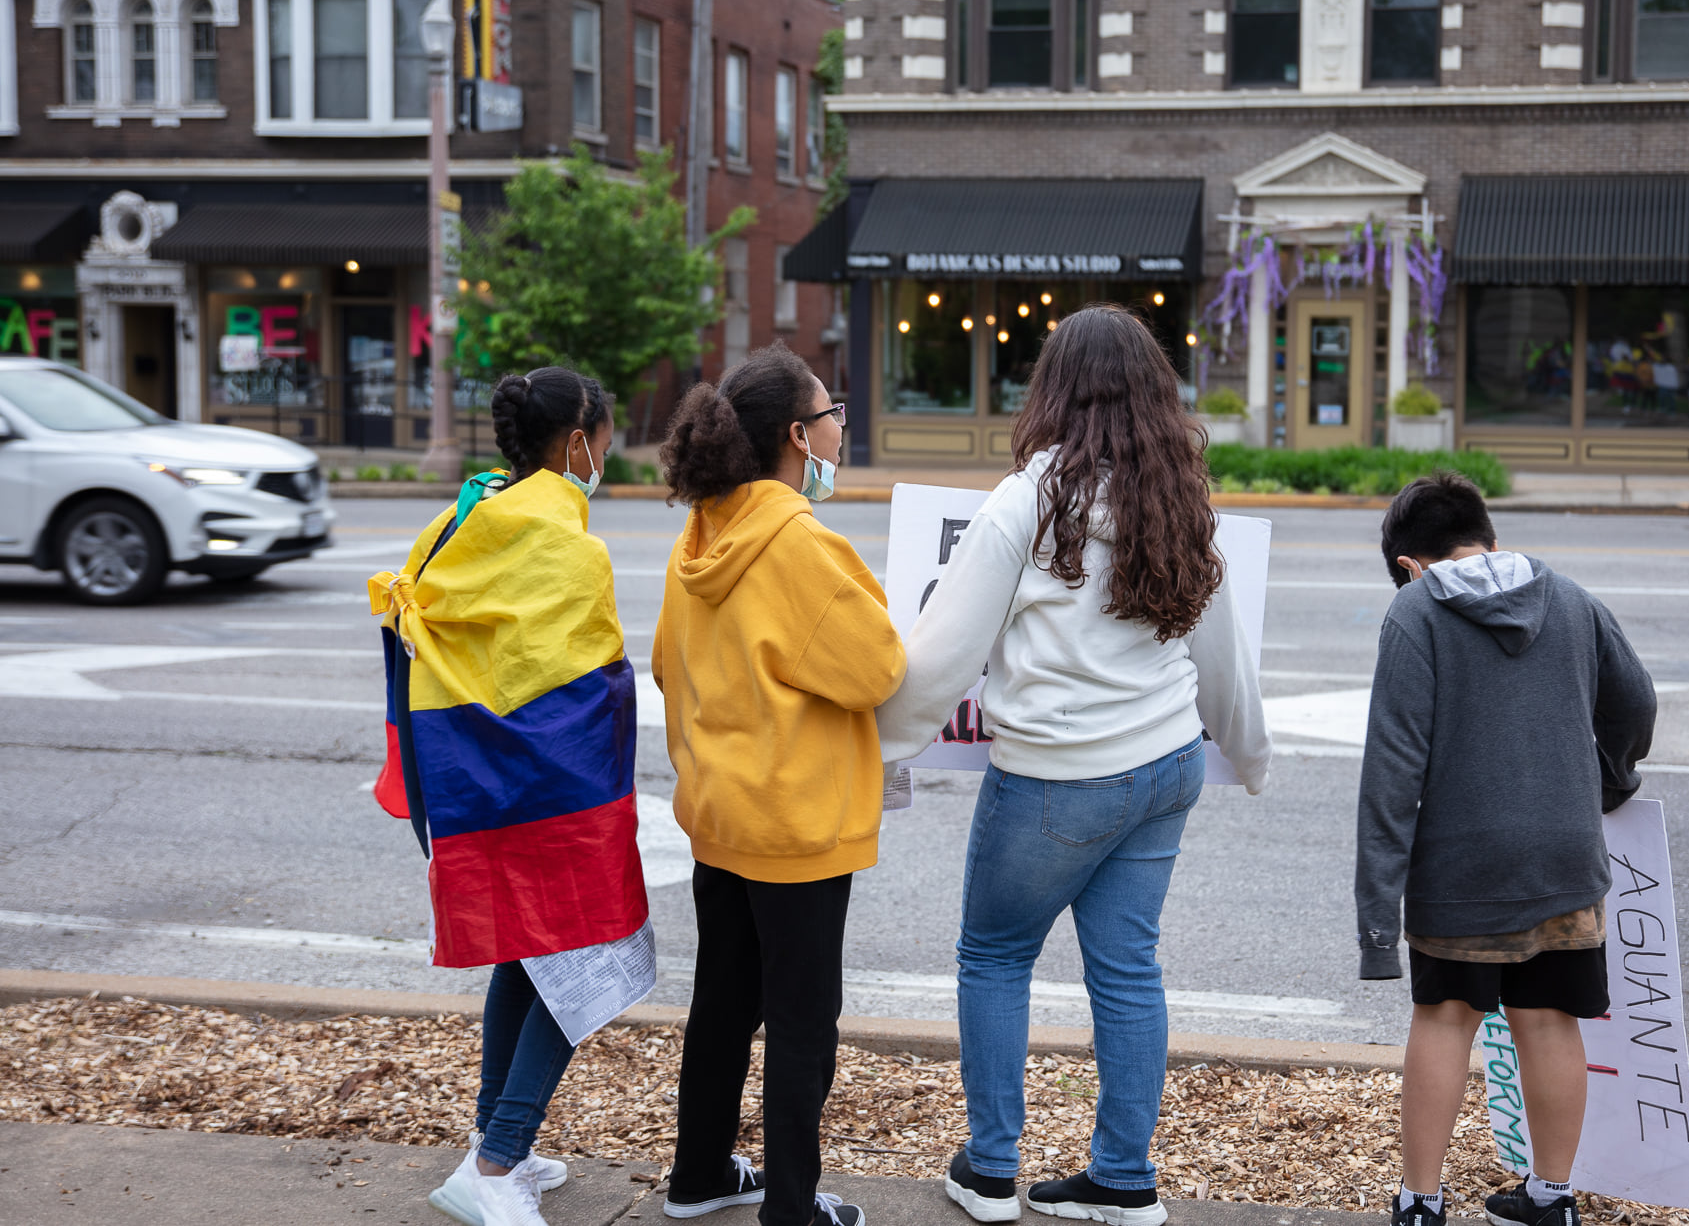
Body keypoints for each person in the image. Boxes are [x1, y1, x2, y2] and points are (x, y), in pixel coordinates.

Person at [876, 306, 1271, 1226]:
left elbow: (944, 657)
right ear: (1153, 393)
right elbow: (1224, 658)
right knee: (1129, 970)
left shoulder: (1025, 500)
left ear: (1052, 387)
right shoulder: (1179, 498)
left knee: (995, 953)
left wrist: (878, 739)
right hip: (1167, 765)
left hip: (1058, 775)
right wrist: (1247, 757)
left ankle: (989, 1169)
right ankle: (1124, 1176)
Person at [368, 367, 643, 1226]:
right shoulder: (566, 544)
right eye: (604, 436)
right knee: (582, 959)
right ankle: (496, 1162)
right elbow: (592, 684)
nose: (608, 451)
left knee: (525, 955)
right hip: (552, 796)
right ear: (575, 444)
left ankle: (495, 1147)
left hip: (466, 785)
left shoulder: (464, 519)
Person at [1355, 472, 1657, 1226]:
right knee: (1551, 1017)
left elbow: (1392, 772)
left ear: (1408, 565)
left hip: (1462, 864)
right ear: (1485, 537)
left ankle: (1421, 1202)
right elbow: (1636, 701)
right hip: (1564, 856)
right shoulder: (1573, 598)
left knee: (1445, 1014)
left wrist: (1375, 923)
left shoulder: (1416, 613)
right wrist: (1609, 780)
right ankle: (1550, 1198)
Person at [651, 342, 906, 1226]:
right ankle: (793, 1209)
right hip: (798, 823)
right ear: (800, 435)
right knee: (803, 1021)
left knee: (723, 999)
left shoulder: (705, 529)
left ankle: (698, 1175)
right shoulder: (796, 539)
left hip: (721, 811)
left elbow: (666, 663)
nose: (842, 423)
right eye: (833, 410)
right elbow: (875, 667)